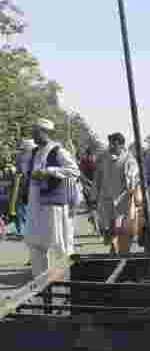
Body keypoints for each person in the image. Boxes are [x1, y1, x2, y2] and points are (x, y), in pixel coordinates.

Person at [24, 118, 81, 277]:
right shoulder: (34, 152)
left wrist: (49, 171)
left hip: (52, 204)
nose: (33, 135)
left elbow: (74, 170)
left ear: (44, 132)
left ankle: (62, 282)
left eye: (35, 132)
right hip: (35, 202)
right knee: (35, 242)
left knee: (57, 245)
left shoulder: (58, 151)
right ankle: (40, 283)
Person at [95, 132, 141, 255]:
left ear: (121, 145)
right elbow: (98, 178)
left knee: (121, 230)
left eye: (114, 144)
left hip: (123, 202)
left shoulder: (129, 160)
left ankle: (120, 252)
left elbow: (133, 180)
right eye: (110, 144)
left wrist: (131, 188)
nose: (111, 147)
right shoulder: (104, 159)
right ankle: (114, 248)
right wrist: (94, 195)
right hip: (106, 200)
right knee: (108, 228)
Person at [9, 139, 35, 239]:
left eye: (25, 149)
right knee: (20, 208)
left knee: (27, 208)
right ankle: (21, 230)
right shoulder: (20, 156)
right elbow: (18, 169)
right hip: (21, 185)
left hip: (32, 185)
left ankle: (28, 230)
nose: (24, 151)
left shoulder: (35, 157)